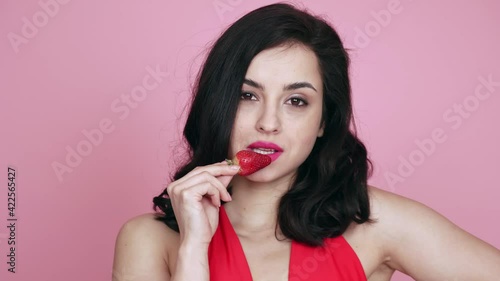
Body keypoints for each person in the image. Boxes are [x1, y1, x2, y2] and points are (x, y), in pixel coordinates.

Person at [112, 3, 500, 281]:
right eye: (248, 95)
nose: (268, 123)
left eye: (296, 101)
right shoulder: (149, 240)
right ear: (218, 104)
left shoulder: (375, 224)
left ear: (323, 122)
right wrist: (194, 251)